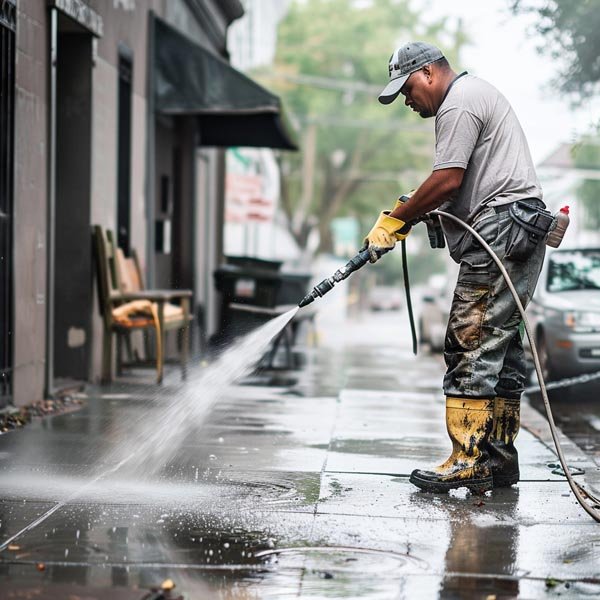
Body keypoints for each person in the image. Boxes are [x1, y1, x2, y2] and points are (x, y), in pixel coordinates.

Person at [364, 42, 548, 493]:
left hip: (500, 231)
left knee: (470, 340)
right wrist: (416, 207)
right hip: (518, 230)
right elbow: (453, 186)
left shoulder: (458, 104)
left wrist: (396, 219)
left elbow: (448, 178)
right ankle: (499, 459)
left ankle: (468, 458)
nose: (407, 102)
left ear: (428, 73)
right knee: (501, 351)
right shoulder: (472, 97)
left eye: (406, 90)